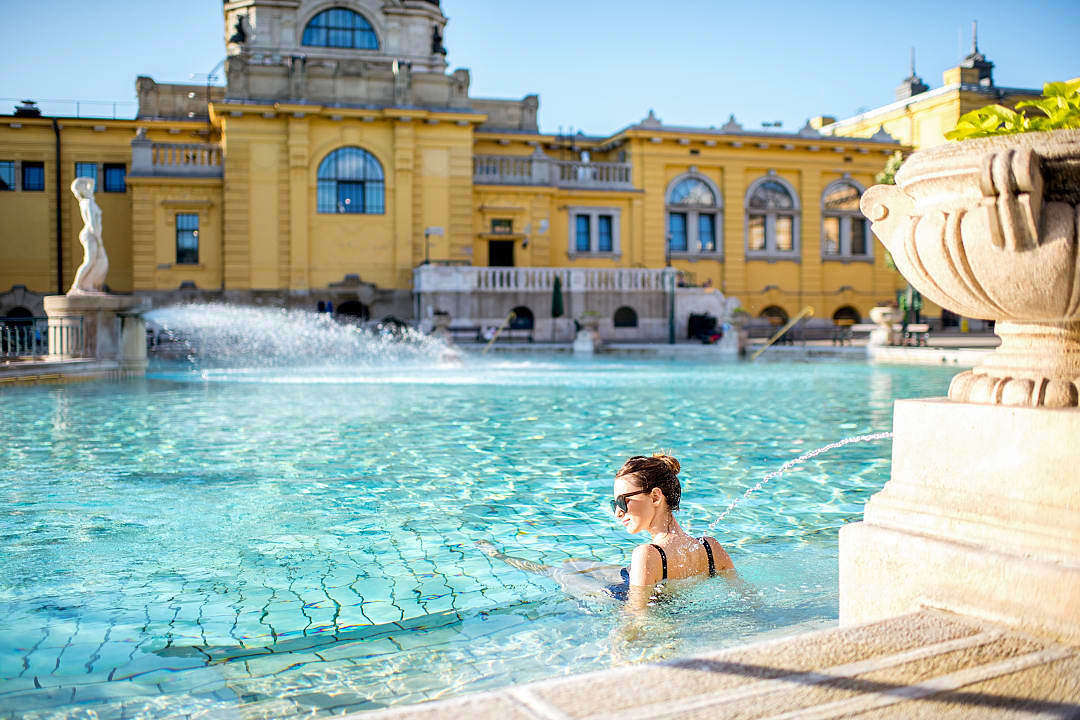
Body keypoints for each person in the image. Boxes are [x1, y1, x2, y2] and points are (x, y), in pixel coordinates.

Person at [608, 453, 734, 606]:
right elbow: (747, 595)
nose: (618, 512)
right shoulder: (711, 549)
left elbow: (636, 617)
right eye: (614, 504)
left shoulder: (646, 555)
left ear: (655, 497)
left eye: (623, 501)